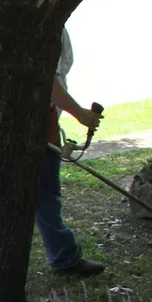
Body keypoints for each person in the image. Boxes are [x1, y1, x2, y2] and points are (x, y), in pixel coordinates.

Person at [37, 28, 106, 277]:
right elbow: (47, 80)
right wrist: (81, 113)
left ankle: (63, 255)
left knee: (42, 195)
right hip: (38, 123)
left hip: (43, 121)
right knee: (45, 196)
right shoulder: (46, 26)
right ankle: (64, 258)